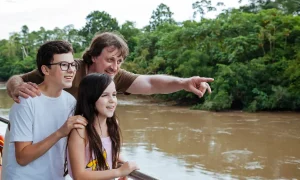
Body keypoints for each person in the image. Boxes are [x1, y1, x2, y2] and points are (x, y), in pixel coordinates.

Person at [6, 32, 214, 102]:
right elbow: (17, 79)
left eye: (120, 61)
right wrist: (16, 88)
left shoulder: (114, 77)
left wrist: (184, 83)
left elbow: (151, 83)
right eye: (110, 60)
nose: (115, 67)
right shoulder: (68, 69)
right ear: (94, 56)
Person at [2, 41, 87, 180]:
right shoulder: (26, 101)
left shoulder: (70, 101)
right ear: (45, 70)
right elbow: (22, 157)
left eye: (73, 64)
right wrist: (60, 132)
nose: (71, 70)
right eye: (64, 65)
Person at [66, 73, 139, 179]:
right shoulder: (80, 130)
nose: (112, 100)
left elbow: (109, 151)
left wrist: (122, 165)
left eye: (114, 94)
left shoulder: (113, 125)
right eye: (104, 95)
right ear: (90, 98)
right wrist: (119, 172)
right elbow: (79, 176)